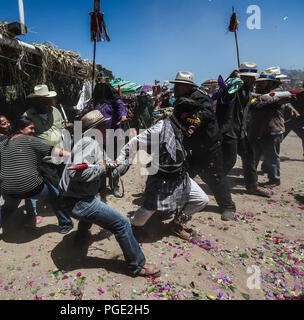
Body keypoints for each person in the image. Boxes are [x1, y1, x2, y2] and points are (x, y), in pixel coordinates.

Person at [59, 110, 160, 277]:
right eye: (105, 124)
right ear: (97, 127)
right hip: (78, 200)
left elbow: (107, 166)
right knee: (122, 224)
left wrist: (120, 162)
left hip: (75, 197)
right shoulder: (89, 143)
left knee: (96, 203)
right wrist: (102, 168)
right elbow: (76, 173)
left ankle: (80, 238)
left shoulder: (91, 142)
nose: (108, 127)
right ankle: (137, 265)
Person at [0, 117, 73, 248]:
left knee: (7, 208)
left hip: (9, 189)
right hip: (32, 185)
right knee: (54, 195)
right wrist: (73, 154)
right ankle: (65, 224)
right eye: (31, 128)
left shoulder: (3, 143)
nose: (34, 131)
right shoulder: (30, 140)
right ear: (21, 129)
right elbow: (55, 151)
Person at [117, 98, 210, 241]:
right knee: (147, 211)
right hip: (161, 179)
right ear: (184, 116)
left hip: (180, 176)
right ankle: (133, 227)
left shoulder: (181, 126)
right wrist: (119, 160)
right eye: (193, 115)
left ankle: (176, 224)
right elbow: (135, 142)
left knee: (201, 199)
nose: (196, 119)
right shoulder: (160, 128)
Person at [170, 71, 236, 221]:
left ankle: (228, 206)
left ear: (187, 86)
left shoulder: (200, 97)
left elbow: (206, 113)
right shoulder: (180, 99)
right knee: (183, 174)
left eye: (179, 85)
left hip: (208, 146)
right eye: (176, 85)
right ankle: (177, 201)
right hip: (191, 146)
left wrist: (195, 120)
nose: (176, 88)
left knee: (215, 177)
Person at [246, 67, 296, 188]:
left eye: (262, 82)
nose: (259, 84)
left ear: (270, 83)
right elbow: (254, 104)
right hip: (256, 129)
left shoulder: (277, 94)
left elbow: (266, 100)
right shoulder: (258, 95)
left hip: (272, 130)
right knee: (253, 155)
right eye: (258, 82)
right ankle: (252, 178)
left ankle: (274, 179)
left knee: (272, 157)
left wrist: (253, 97)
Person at [26, 85, 70, 217]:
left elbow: (62, 128)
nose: (48, 102)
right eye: (44, 99)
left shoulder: (55, 111)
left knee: (65, 183)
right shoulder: (28, 115)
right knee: (55, 187)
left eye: (48, 99)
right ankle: (63, 217)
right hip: (45, 159)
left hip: (61, 155)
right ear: (37, 100)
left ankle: (65, 208)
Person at [84, 72, 129, 197]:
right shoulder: (94, 102)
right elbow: (85, 111)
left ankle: (115, 185)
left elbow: (121, 107)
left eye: (102, 83)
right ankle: (101, 187)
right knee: (101, 161)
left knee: (114, 162)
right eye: (98, 84)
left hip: (113, 135)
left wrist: (123, 115)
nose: (100, 87)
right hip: (98, 137)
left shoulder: (114, 100)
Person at [216, 63, 259, 177]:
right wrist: (234, 81)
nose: (254, 79)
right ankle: (216, 181)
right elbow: (226, 95)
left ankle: (252, 186)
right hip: (229, 131)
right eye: (252, 77)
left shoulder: (248, 90)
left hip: (240, 131)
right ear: (244, 77)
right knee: (229, 160)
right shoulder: (234, 88)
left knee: (249, 155)